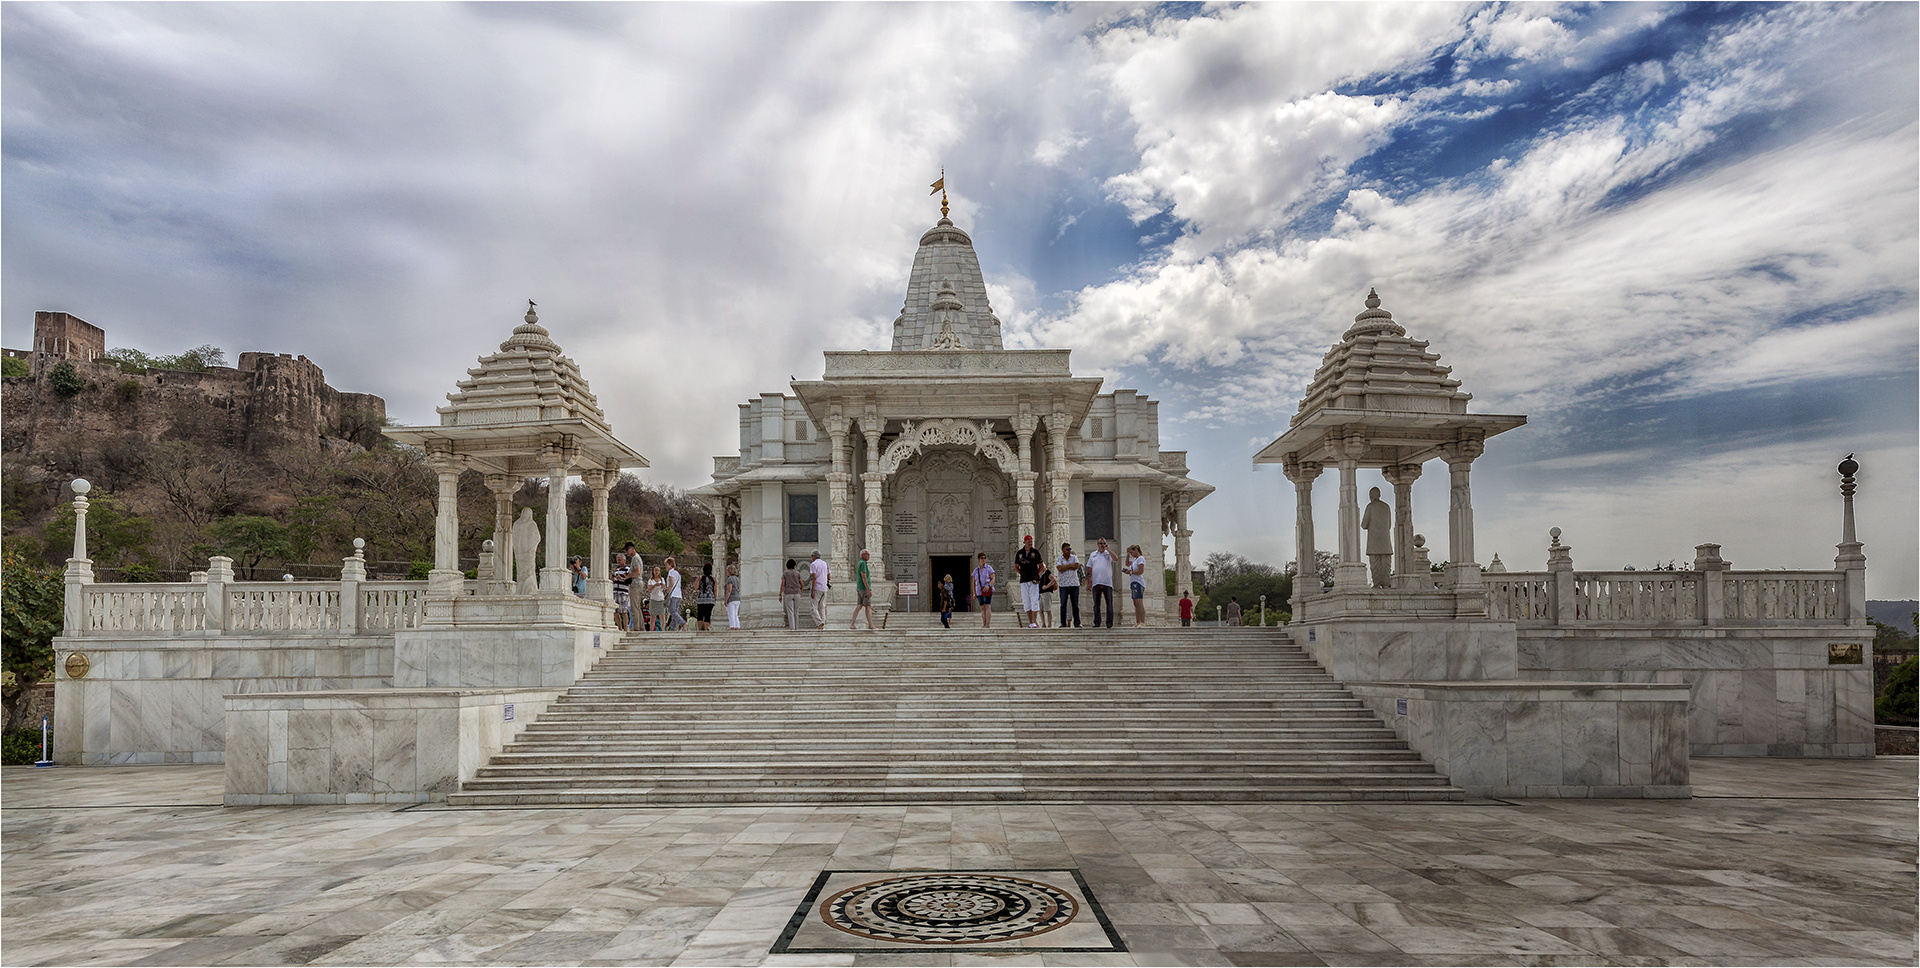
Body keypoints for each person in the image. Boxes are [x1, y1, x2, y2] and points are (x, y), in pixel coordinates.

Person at [1014, 534, 1044, 629]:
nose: (1030, 543)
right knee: (1026, 601)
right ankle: (1031, 622)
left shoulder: (1035, 552)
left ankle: (1034, 622)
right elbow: (1016, 567)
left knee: (1034, 600)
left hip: (1033, 580)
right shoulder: (1020, 553)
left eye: (1031, 541)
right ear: (1024, 542)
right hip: (1024, 580)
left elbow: (1041, 565)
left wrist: (1036, 573)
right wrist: (1022, 573)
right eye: (1028, 541)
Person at [1087, 538, 1118, 628]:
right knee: (1096, 604)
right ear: (1097, 544)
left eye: (1104, 543)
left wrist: (1108, 549)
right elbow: (1089, 568)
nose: (1102, 545)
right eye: (1101, 543)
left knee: (1109, 604)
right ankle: (1097, 622)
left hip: (1107, 582)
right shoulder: (1093, 555)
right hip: (1096, 582)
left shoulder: (1108, 554)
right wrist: (1089, 582)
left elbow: (1116, 559)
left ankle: (1109, 623)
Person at [1055, 543, 1081, 628]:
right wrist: (1070, 566)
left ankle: (1077, 623)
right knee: (1063, 605)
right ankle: (1063, 623)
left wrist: (1065, 567)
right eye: (1067, 549)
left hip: (1074, 584)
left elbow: (1076, 566)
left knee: (1075, 605)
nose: (1069, 551)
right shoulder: (1059, 558)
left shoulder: (1074, 557)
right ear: (1063, 550)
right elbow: (1059, 568)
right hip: (1063, 585)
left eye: (1070, 549)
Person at [850, 549, 875, 630]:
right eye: (867, 554)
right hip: (864, 588)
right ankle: (871, 625)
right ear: (862, 555)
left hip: (860, 588)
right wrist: (868, 589)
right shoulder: (863, 563)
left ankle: (852, 624)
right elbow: (864, 577)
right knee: (868, 607)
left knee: (859, 606)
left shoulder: (860, 563)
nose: (869, 556)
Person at [808, 550, 830, 629]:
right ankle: (822, 623)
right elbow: (829, 577)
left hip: (817, 587)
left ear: (813, 556)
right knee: (822, 607)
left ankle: (819, 622)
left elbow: (814, 577)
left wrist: (812, 590)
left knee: (813, 607)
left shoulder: (813, 564)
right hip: (824, 588)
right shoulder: (825, 564)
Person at [611, 552, 633, 631]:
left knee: (624, 611)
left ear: (624, 560)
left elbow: (629, 580)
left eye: (620, 560)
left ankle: (625, 628)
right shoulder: (616, 569)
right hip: (615, 591)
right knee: (615, 611)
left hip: (623, 592)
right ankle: (620, 627)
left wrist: (621, 578)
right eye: (617, 560)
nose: (618, 562)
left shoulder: (627, 569)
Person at [1126, 544, 1148, 626]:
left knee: (1139, 602)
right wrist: (1127, 554)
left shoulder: (1140, 558)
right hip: (1133, 581)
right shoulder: (1135, 560)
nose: (1131, 554)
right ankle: (1138, 621)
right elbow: (1127, 563)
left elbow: (1140, 571)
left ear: (1136, 550)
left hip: (1138, 582)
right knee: (1135, 602)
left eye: (1132, 552)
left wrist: (1130, 572)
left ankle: (1142, 622)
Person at [781, 558, 805, 629]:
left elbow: (782, 584)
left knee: (790, 611)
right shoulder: (797, 573)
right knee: (796, 611)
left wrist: (780, 594)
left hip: (788, 593)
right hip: (797, 593)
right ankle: (796, 627)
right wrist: (800, 591)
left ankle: (792, 628)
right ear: (794, 566)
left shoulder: (785, 573)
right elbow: (802, 584)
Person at [694, 563, 716, 631]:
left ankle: (700, 629)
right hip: (710, 599)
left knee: (700, 615)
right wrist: (715, 598)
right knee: (707, 615)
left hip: (701, 599)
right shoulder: (713, 579)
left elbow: (696, 587)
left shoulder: (700, 578)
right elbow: (714, 590)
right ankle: (706, 629)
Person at [664, 557, 685, 630]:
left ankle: (683, 623)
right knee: (675, 612)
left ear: (670, 565)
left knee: (672, 611)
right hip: (679, 595)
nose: (665, 566)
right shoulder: (677, 573)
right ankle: (672, 628)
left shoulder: (671, 572)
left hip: (673, 594)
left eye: (666, 564)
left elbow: (671, 583)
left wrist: (667, 593)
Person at [646, 566, 667, 630]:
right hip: (653, 599)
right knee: (652, 616)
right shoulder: (650, 580)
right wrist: (655, 585)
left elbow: (664, 589)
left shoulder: (662, 579)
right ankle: (652, 630)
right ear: (653, 571)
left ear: (659, 572)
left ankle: (663, 629)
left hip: (661, 599)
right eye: (655, 570)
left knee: (662, 615)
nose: (656, 572)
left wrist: (663, 586)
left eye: (658, 570)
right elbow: (649, 590)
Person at [724, 563, 742, 630]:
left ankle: (732, 626)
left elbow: (729, 590)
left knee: (731, 613)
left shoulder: (729, 579)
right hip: (737, 598)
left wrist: (726, 600)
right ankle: (737, 626)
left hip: (731, 598)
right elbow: (739, 589)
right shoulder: (737, 579)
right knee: (736, 614)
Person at [1038, 562, 1055, 628]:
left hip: (1047, 593)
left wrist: (1047, 586)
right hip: (1041, 593)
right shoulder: (1042, 574)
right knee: (1040, 610)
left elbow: (1053, 580)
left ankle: (1049, 624)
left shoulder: (1047, 572)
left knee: (1048, 609)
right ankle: (1043, 624)